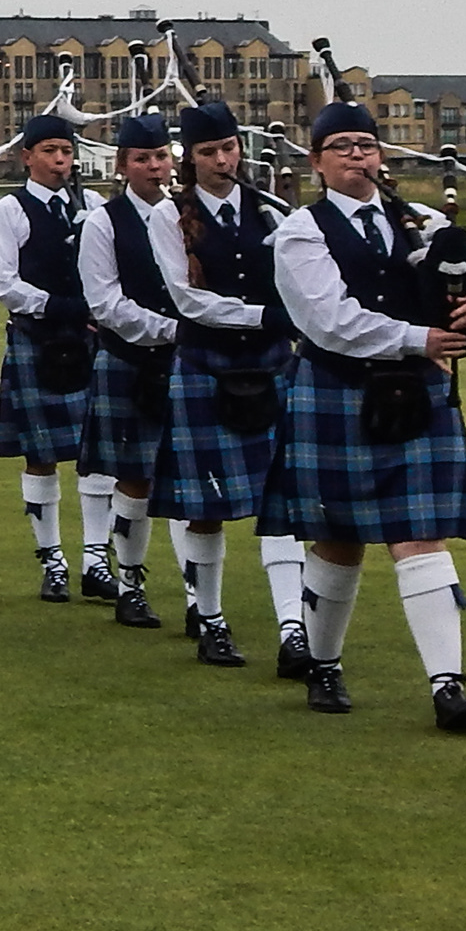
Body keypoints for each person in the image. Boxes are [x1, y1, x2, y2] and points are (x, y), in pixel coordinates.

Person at [261, 100, 466, 725]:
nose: (358, 155)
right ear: (318, 161)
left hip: (417, 395)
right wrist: (420, 339)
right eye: (342, 146)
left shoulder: (422, 222)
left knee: (420, 534)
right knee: (338, 540)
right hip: (339, 388)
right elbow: (331, 322)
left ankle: (448, 685)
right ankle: (322, 665)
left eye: (367, 145)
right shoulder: (302, 231)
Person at [162, 104, 300, 672]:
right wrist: (268, 316)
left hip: (272, 369)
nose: (223, 161)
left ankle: (294, 630)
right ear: (190, 159)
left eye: (228, 149)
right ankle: (210, 619)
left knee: (286, 505)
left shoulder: (272, 212)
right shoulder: (168, 217)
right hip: (205, 367)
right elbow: (188, 300)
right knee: (206, 510)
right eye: (208, 153)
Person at [75, 112, 186, 629]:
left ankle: (197, 599)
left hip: (188, 363)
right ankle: (130, 585)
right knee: (135, 479)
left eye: (161, 156)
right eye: (142, 158)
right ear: (122, 165)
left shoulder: (188, 215)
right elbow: (105, 304)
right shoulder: (103, 221)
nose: (154, 167)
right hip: (130, 360)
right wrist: (172, 329)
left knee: (191, 483)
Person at [0, 114, 99, 599]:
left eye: (67, 152)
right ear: (26, 156)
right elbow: (5, 284)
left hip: (92, 341)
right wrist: (61, 306)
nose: (61, 160)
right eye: (51, 151)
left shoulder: (92, 204)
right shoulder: (10, 210)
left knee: (100, 455)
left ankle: (96, 560)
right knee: (41, 455)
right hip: (39, 337)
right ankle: (52, 559)